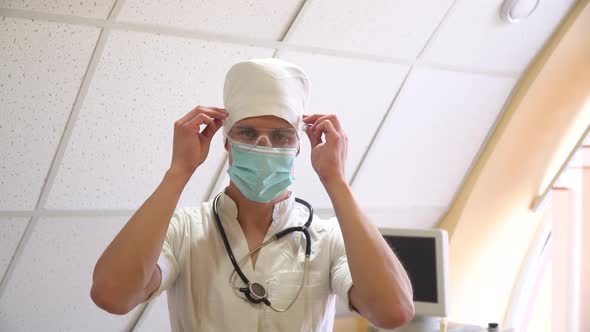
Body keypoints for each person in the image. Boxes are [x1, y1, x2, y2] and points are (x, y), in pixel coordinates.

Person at [91, 58, 414, 331]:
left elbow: (393, 312)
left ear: (298, 146)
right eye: (247, 132)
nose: (263, 144)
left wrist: (337, 181)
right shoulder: (184, 230)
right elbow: (113, 296)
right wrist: (179, 172)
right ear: (226, 142)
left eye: (280, 135)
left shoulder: (327, 238)